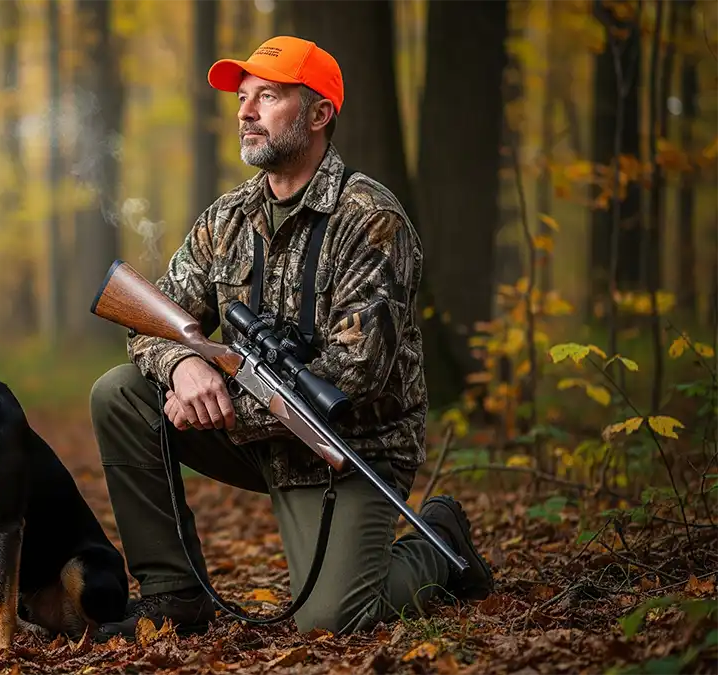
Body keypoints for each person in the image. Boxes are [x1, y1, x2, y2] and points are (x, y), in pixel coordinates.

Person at [88, 35, 494, 641]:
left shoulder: (371, 220)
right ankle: (173, 592)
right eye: (243, 97)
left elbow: (354, 374)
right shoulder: (227, 218)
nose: (245, 112)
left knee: (332, 620)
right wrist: (182, 367)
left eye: (268, 97)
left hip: (351, 447)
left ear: (319, 114)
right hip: (259, 426)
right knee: (119, 395)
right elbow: (151, 317)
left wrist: (224, 404)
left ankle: (439, 542)